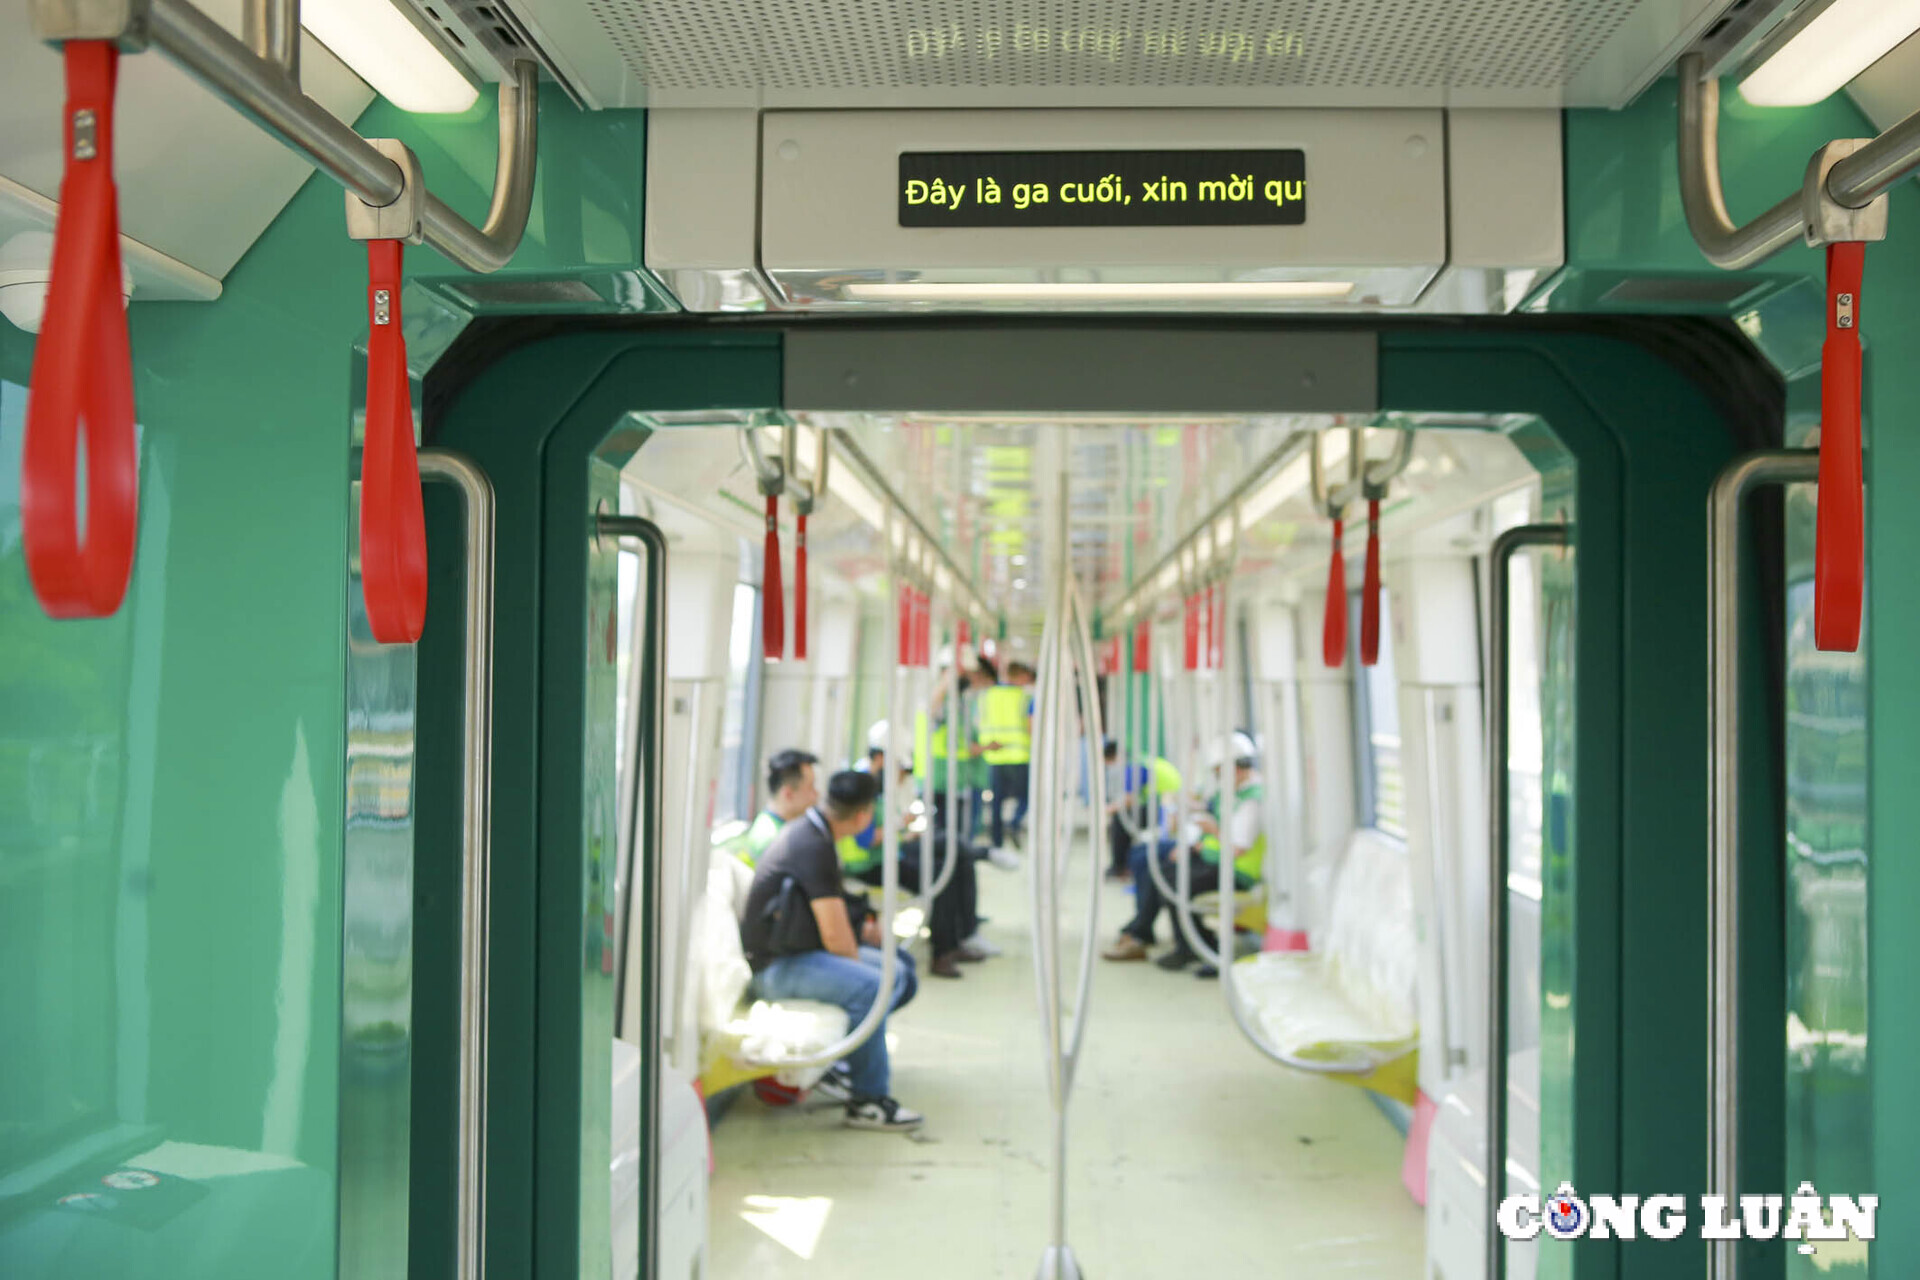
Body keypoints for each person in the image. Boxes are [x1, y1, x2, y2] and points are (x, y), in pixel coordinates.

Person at [741, 769, 924, 1130]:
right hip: (775, 968)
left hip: (795, 951)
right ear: (863, 815)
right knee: (875, 986)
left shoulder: (815, 834)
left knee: (899, 970)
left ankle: (849, 1056)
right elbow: (837, 938)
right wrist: (860, 971)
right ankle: (867, 1100)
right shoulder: (812, 845)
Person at [1102, 731, 1265, 978]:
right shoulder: (1234, 793)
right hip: (1216, 857)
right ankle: (1172, 939)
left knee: (1171, 878)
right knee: (1155, 864)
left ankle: (1197, 946)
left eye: (1220, 772)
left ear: (1236, 768)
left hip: (1237, 869)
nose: (1218, 778)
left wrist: (1210, 833)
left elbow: (1237, 846)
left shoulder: (1252, 800)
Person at [854, 724, 991, 978]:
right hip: (872, 864)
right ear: (881, 758)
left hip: (890, 852)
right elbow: (864, 839)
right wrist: (899, 825)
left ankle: (961, 934)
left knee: (953, 854)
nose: (901, 776)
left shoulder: (874, 784)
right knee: (941, 872)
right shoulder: (860, 787)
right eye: (899, 769)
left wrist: (904, 831)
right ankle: (943, 952)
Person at [1100, 739, 1182, 882]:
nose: (1109, 767)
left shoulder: (1134, 768)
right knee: (1125, 818)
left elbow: (1128, 800)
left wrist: (1106, 810)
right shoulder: (1141, 761)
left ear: (1114, 757)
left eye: (1108, 763)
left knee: (1120, 820)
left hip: (1166, 810)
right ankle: (1123, 864)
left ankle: (1119, 867)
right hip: (1169, 806)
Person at [980, 659, 1036, 848]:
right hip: (1019, 756)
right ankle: (1014, 822)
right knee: (1026, 797)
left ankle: (997, 842)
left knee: (996, 802)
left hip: (994, 756)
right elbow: (1031, 726)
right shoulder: (1025, 697)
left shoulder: (988, 695)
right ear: (1018, 676)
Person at [737, 748, 819, 866]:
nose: (816, 794)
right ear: (788, 794)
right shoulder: (774, 841)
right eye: (811, 787)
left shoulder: (779, 828)